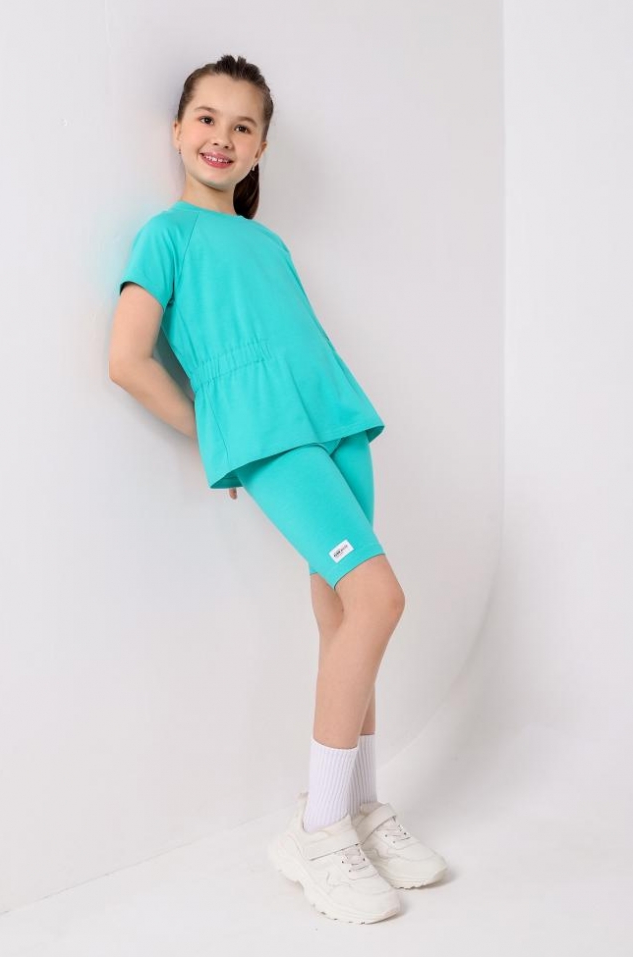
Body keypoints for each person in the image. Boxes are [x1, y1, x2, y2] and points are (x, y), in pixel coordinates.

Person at [108, 53, 446, 924]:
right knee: (379, 598)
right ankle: (319, 829)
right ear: (177, 130)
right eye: (207, 118)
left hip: (334, 419)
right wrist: (214, 432)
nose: (222, 137)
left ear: (260, 148)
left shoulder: (268, 242)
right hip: (270, 433)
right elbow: (126, 358)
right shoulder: (166, 235)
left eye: (243, 125)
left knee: (344, 613)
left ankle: (360, 805)